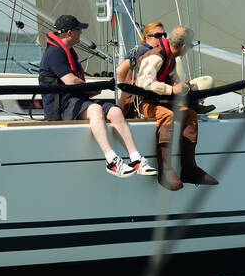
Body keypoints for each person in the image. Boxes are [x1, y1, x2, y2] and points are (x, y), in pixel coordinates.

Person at [39, 14, 157, 177]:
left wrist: (90, 90)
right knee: (95, 109)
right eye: (79, 30)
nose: (81, 33)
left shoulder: (66, 51)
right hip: (61, 106)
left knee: (115, 111)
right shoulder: (54, 53)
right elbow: (70, 81)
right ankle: (112, 161)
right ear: (70, 33)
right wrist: (91, 88)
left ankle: (136, 159)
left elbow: (75, 84)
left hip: (76, 101)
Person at [134, 25, 218, 190]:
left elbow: (167, 79)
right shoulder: (157, 57)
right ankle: (165, 170)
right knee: (168, 116)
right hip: (144, 104)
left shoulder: (169, 56)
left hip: (161, 101)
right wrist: (171, 89)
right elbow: (143, 83)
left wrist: (179, 87)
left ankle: (189, 168)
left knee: (190, 115)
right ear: (184, 46)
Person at [115, 21, 166, 118]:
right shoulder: (142, 51)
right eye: (158, 35)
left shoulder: (157, 52)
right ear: (147, 37)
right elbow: (120, 70)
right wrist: (127, 88)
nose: (163, 38)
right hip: (136, 100)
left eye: (164, 35)